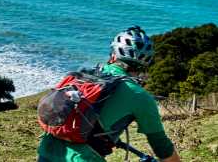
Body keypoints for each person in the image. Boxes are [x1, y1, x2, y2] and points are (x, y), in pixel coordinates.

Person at [37, 26, 181, 162]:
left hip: (46, 151)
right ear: (145, 63)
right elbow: (162, 147)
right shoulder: (140, 96)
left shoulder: (85, 75)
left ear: (113, 55)